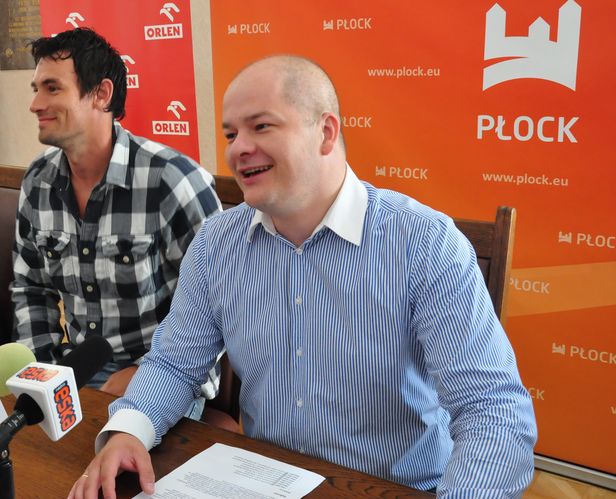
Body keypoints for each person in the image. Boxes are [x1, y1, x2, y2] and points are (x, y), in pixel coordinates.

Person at [70, 55, 537, 499]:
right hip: (263, 480)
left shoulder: (424, 242)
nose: (238, 148)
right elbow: (175, 364)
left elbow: (492, 410)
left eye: (261, 126)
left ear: (326, 132)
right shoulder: (216, 243)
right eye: (231, 133)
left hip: (397, 486)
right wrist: (130, 431)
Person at [11, 28, 222, 405]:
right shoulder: (38, 180)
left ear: (102, 94)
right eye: (36, 89)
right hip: (74, 376)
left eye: (52, 88)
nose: (36, 104)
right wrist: (43, 375)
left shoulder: (172, 180)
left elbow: (216, 305)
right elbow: (31, 288)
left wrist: (150, 374)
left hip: (165, 374)